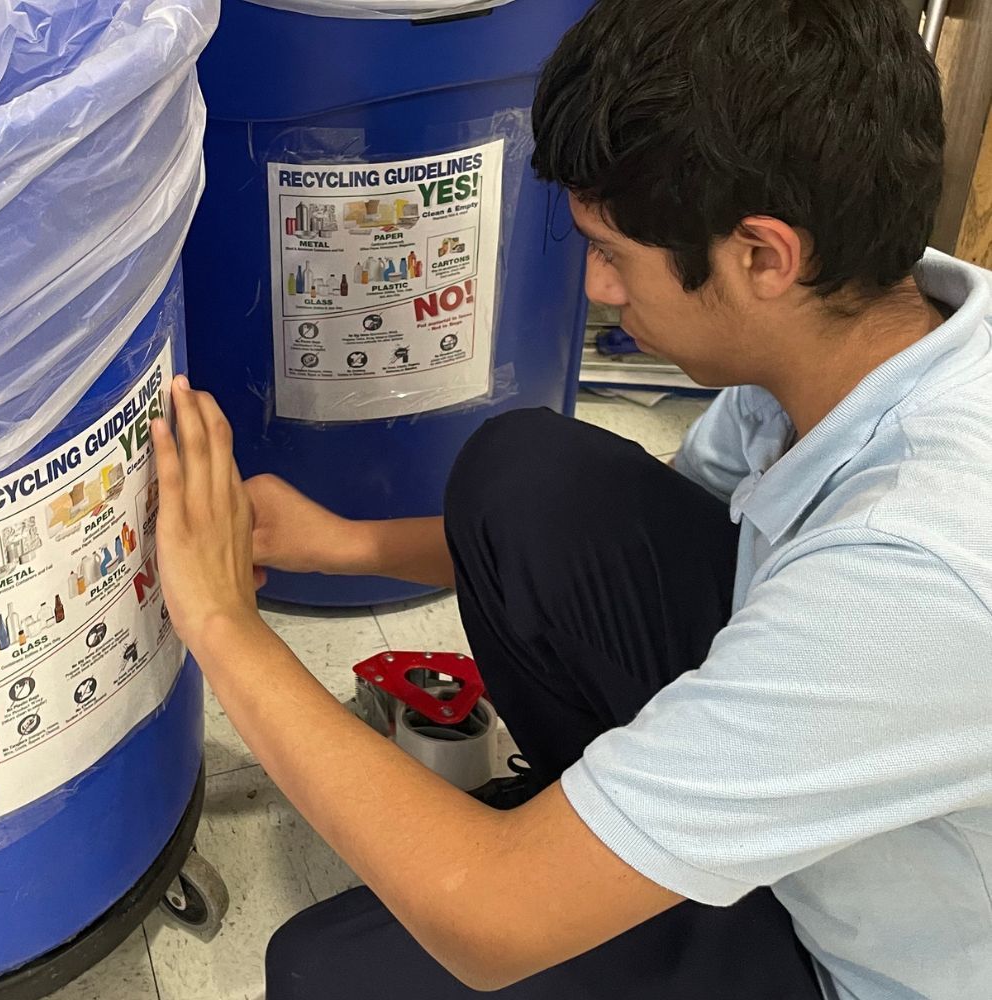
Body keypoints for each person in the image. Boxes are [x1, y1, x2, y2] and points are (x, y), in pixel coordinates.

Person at [150, 0, 992, 997]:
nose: (596, 287)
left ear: (764, 256)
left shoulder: (914, 569)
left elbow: (489, 925)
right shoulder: (864, 333)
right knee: (526, 480)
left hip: (859, 959)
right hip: (823, 790)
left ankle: (588, 863)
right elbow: (641, 548)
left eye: (616, 254)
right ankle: (602, 833)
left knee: (329, 975)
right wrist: (343, 543)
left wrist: (222, 623)